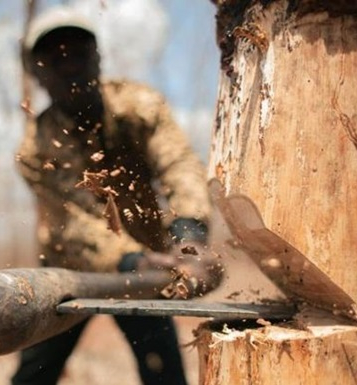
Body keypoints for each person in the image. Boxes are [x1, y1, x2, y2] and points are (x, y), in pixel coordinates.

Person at [14, 7, 221, 385]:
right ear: (37, 73)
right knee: (34, 374)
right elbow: (69, 222)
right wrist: (130, 259)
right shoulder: (34, 148)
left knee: (163, 372)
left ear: (97, 58)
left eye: (78, 54)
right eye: (54, 59)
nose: (69, 66)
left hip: (148, 265)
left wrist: (189, 236)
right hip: (69, 272)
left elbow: (178, 165)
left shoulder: (138, 106)